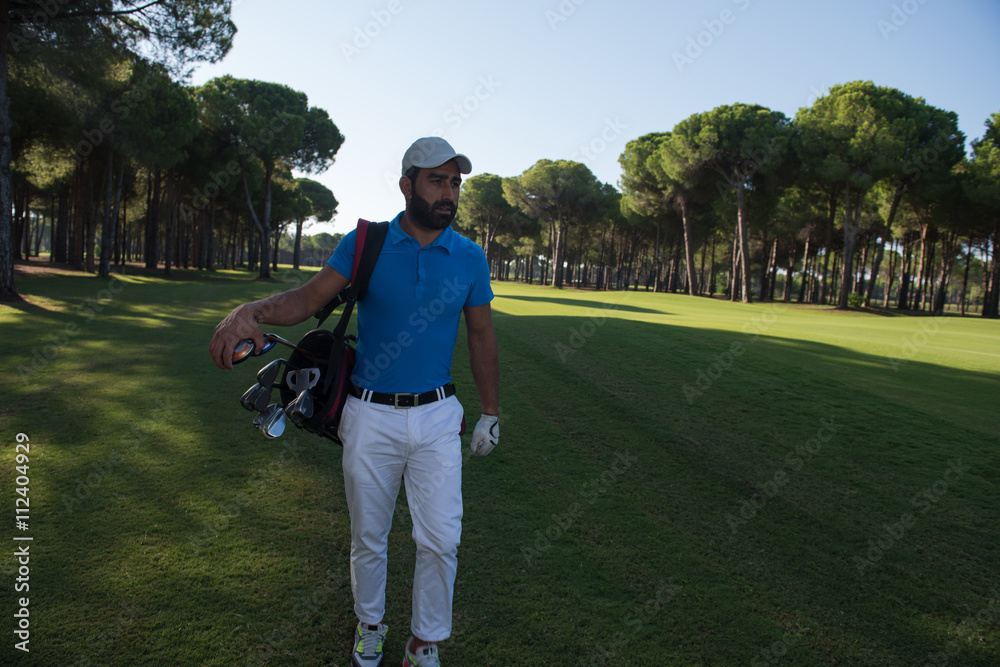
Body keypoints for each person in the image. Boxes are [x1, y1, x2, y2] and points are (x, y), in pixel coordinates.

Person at [208, 137, 500, 667]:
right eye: (437, 181)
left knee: (441, 540)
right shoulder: (366, 243)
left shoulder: (470, 256)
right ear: (407, 184)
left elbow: (481, 335)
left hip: (438, 415)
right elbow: (307, 299)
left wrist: (491, 412)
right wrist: (252, 310)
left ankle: (423, 642)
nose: (449, 193)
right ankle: (370, 626)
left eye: (455, 183)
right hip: (368, 414)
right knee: (369, 536)